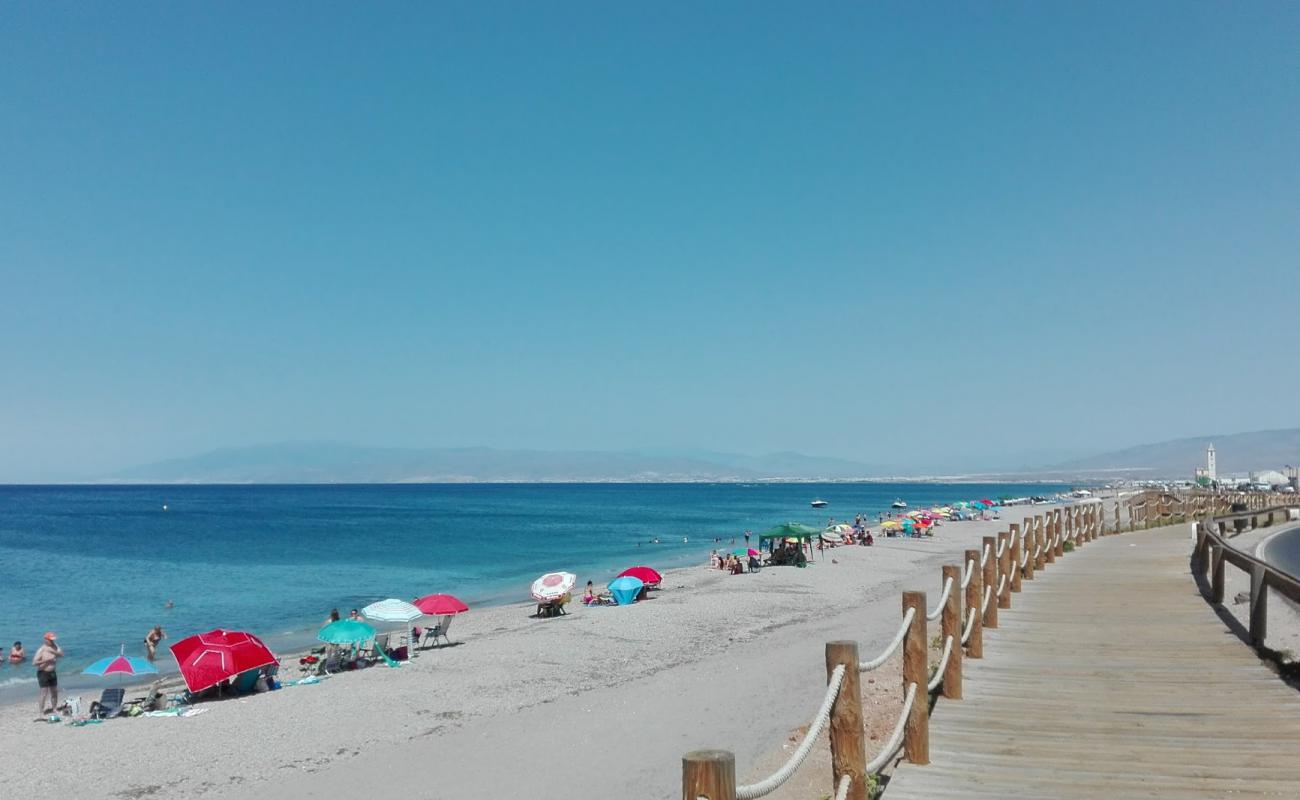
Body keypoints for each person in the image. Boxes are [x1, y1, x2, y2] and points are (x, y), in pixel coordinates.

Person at [34, 632, 63, 716]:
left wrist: (54, 650)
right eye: (50, 640)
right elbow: (34, 663)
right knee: (44, 693)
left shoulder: (54, 647)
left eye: (53, 640)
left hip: (52, 672)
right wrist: (47, 660)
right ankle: (41, 711)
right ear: (46, 640)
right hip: (43, 672)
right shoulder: (41, 649)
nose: (52, 641)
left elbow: (61, 654)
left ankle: (54, 708)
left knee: (54, 691)